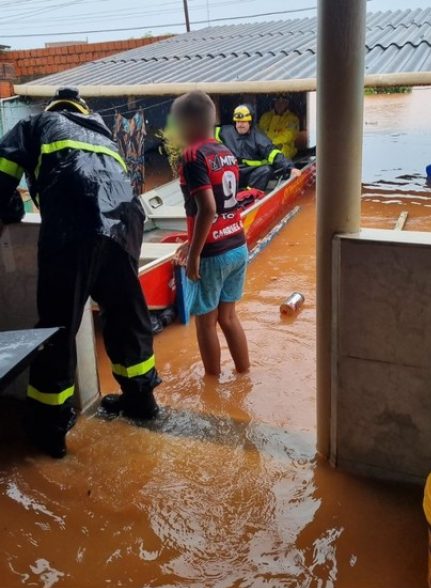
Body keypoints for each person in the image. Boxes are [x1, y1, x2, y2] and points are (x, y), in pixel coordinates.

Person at [0, 87, 160, 458]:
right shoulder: (103, 133)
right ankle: (142, 402)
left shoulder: (35, 123)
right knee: (126, 317)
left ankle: (49, 430)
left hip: (73, 225)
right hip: (125, 225)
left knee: (57, 328)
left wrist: (8, 211)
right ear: (83, 111)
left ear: (53, 108)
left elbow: (3, 172)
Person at [172, 90, 250, 377]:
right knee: (228, 317)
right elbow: (219, 207)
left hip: (213, 254)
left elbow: (208, 210)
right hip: (237, 245)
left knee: (205, 323)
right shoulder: (224, 151)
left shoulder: (192, 155)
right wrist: (190, 242)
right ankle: (244, 376)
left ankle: (212, 387)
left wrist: (194, 256)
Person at [216, 104, 295, 191]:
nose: (239, 125)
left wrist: (290, 168)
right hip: (232, 171)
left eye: (243, 122)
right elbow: (206, 133)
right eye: (237, 122)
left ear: (250, 123)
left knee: (266, 170)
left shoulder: (258, 137)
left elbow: (274, 153)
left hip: (251, 173)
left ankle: (250, 195)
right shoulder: (225, 132)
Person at [258, 96, 301, 160]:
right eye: (277, 101)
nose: (280, 104)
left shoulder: (292, 119)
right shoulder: (265, 116)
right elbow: (259, 133)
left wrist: (270, 143)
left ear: (287, 103)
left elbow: (288, 136)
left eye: (283, 102)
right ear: (274, 103)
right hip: (264, 149)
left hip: (284, 152)